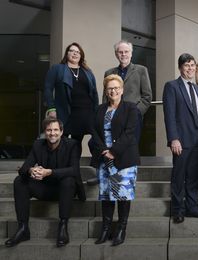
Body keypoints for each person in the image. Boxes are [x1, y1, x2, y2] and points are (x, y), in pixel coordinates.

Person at [5, 117, 85, 248]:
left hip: (65, 190)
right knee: (20, 181)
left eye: (55, 130)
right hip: (45, 188)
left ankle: (63, 226)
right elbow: (24, 168)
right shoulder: (38, 144)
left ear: (61, 131)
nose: (52, 133)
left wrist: (50, 172)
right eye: (49, 130)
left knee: (69, 180)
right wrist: (32, 170)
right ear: (45, 132)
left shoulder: (72, 144)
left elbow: (74, 170)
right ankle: (23, 228)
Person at [90, 74, 140, 246]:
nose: (113, 91)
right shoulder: (99, 109)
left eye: (116, 88)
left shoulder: (131, 108)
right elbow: (94, 132)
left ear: (122, 90)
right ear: (106, 90)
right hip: (104, 158)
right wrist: (104, 150)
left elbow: (129, 132)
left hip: (124, 158)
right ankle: (105, 230)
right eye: (110, 88)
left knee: (122, 195)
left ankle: (121, 229)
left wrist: (114, 151)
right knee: (106, 196)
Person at [163, 53, 198, 224]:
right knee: (179, 176)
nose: (190, 68)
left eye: (192, 65)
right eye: (187, 65)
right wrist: (173, 139)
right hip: (182, 139)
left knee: (193, 176)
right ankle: (178, 210)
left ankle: (193, 207)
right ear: (180, 68)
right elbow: (169, 115)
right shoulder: (172, 87)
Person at [44, 42, 99, 149]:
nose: (75, 53)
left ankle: (74, 165)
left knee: (77, 142)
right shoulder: (57, 69)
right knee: (61, 142)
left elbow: (94, 92)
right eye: (72, 51)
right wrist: (51, 108)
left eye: (78, 52)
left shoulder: (87, 71)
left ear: (81, 55)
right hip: (65, 111)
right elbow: (48, 89)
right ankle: (60, 165)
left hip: (85, 112)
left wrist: (96, 111)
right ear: (67, 53)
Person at [104, 40, 152, 141]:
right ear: (116, 54)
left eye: (126, 51)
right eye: (120, 52)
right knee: (114, 146)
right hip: (113, 117)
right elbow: (106, 96)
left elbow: (147, 96)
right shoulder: (109, 73)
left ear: (131, 53)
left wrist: (136, 112)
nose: (123, 54)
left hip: (133, 117)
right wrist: (107, 114)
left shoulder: (141, 70)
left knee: (131, 147)